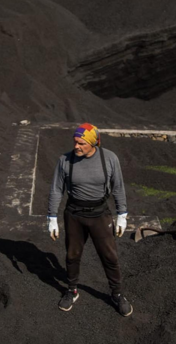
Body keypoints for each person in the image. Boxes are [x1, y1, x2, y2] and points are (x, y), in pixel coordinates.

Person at [47, 123, 133, 317]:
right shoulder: (65, 160)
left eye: (81, 143)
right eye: (75, 142)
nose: (76, 146)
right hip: (75, 215)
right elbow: (56, 190)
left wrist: (122, 215)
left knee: (110, 257)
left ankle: (117, 294)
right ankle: (72, 290)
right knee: (72, 255)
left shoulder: (109, 159)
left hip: (100, 214)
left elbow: (118, 187)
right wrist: (51, 217)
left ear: (93, 143)